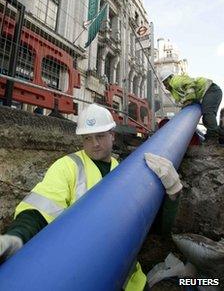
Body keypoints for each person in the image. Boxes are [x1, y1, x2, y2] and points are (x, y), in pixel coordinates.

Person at [0, 103, 147, 291]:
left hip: (131, 279)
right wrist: (16, 237)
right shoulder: (68, 166)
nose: (94, 144)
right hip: (81, 274)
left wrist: (173, 197)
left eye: (100, 136)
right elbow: (39, 209)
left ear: (113, 135)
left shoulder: (124, 171)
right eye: (87, 138)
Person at [160, 70, 224, 144]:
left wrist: (189, 99)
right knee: (206, 119)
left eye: (164, 82)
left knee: (208, 114)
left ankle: (212, 139)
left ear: (168, 79)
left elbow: (190, 84)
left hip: (211, 90)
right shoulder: (174, 91)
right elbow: (184, 102)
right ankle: (216, 137)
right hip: (208, 93)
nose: (164, 85)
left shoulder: (175, 81)